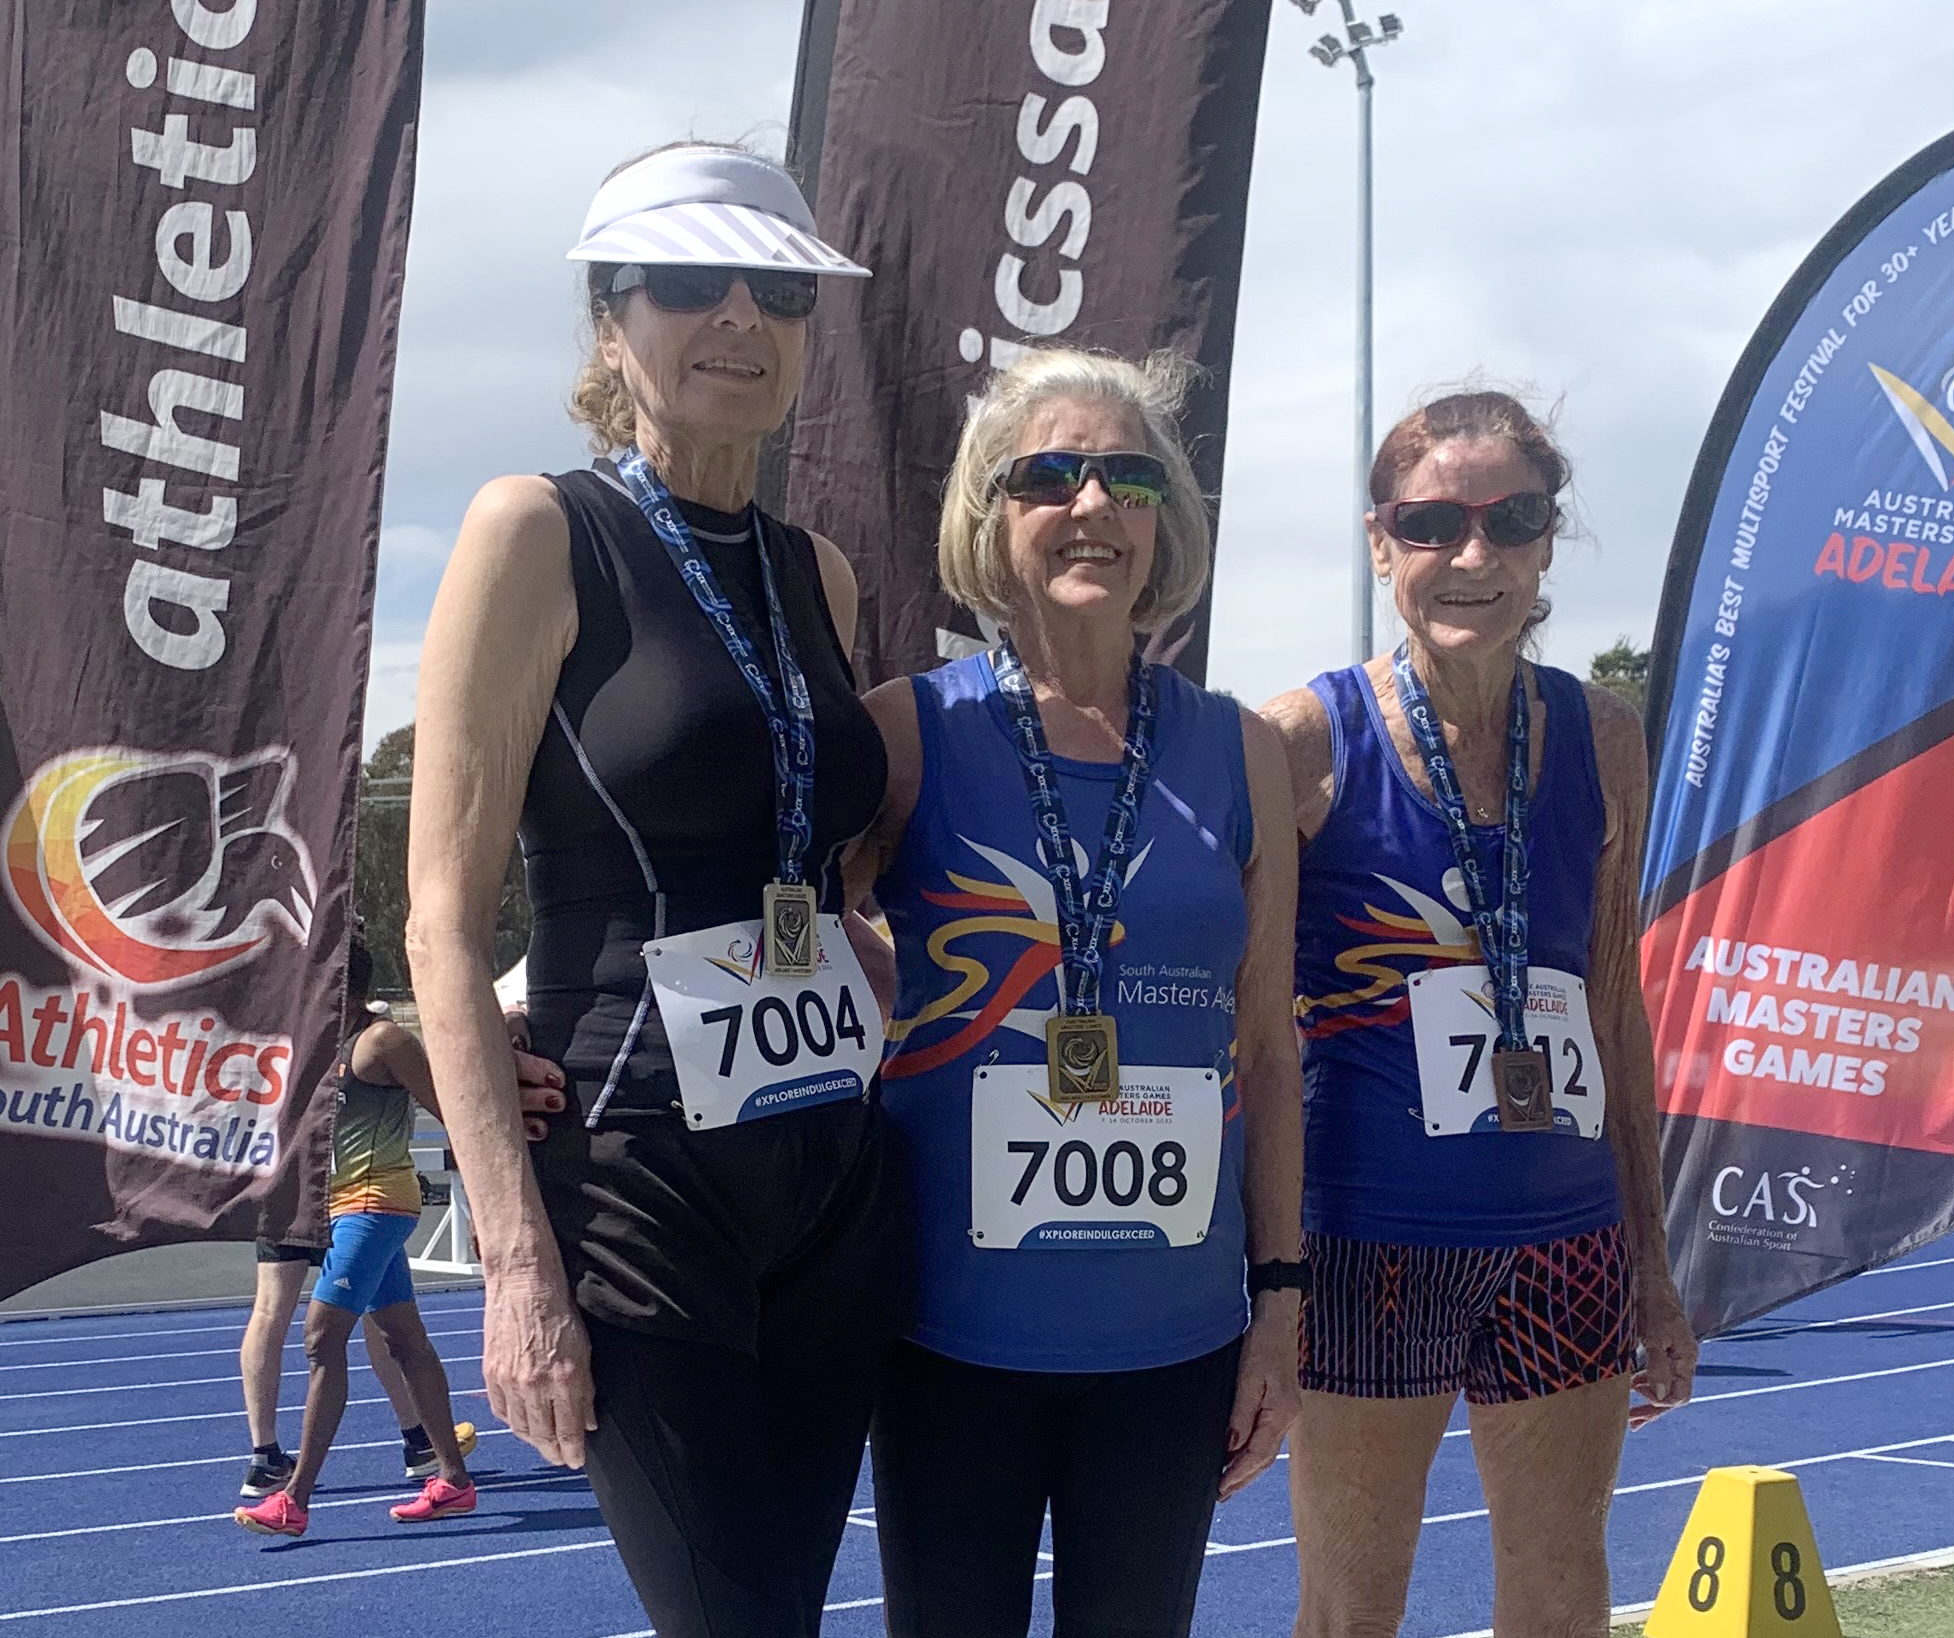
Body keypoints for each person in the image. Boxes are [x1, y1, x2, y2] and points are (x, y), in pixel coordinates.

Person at [405, 142, 907, 1638]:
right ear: (609, 321)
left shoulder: (820, 571)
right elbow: (440, 913)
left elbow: (821, 860)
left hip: (828, 1168)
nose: (741, 318)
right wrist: (513, 1264)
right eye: (690, 285)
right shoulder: (534, 530)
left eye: (780, 291)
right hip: (633, 1175)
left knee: (787, 1616)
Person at [844, 345, 1304, 1638]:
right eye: (1049, 474)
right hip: (950, 1338)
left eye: (1127, 474)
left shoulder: (1239, 749)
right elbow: (786, 944)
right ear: (990, 515)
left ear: (1168, 515)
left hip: (1174, 1339)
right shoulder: (908, 728)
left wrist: (1280, 1301)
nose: (1091, 503)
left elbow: (1268, 1049)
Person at [1260, 390, 1699, 1637]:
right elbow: (1246, 1031)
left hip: (1564, 1241)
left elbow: (1615, 1011)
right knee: (1352, 1610)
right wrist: (1265, 1282)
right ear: (1378, 538)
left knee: (1563, 1593)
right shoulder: (1301, 742)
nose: (1472, 556)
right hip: (1369, 1247)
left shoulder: (1604, 735)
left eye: (1509, 519)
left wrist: (1653, 1272)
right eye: (1433, 522)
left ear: (1547, 541)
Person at [233, 937, 481, 1536]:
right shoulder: (319, 1047)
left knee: (322, 1337)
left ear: (340, 982)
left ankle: (294, 1497)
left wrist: (492, 1197)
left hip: (376, 1206)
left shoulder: (382, 1042)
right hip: (340, 1211)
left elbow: (455, 1108)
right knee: (403, 1339)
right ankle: (452, 1478)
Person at [236, 1236, 477, 1498]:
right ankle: (418, 1438)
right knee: (378, 1300)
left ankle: (265, 1458)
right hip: (350, 1203)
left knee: (269, 1309)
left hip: (288, 1200)